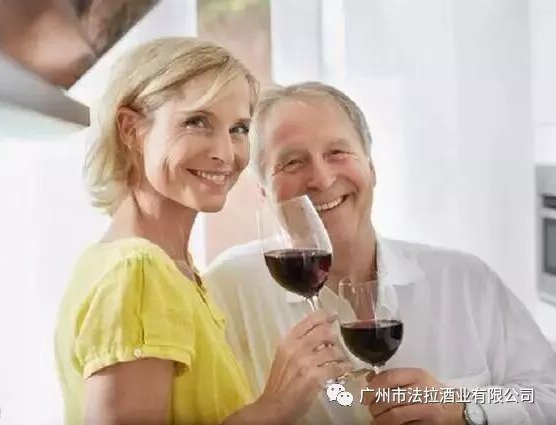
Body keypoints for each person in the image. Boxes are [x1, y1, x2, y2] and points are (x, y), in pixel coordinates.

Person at [204, 81, 556, 425]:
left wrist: (462, 408)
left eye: (337, 153)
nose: (322, 179)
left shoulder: (466, 282)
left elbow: (546, 395)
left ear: (371, 169)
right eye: (292, 162)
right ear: (264, 192)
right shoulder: (225, 291)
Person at [54, 39, 350, 425]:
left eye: (238, 128)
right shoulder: (138, 272)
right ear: (130, 129)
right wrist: (274, 408)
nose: (226, 154)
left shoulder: (163, 267)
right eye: (197, 122)